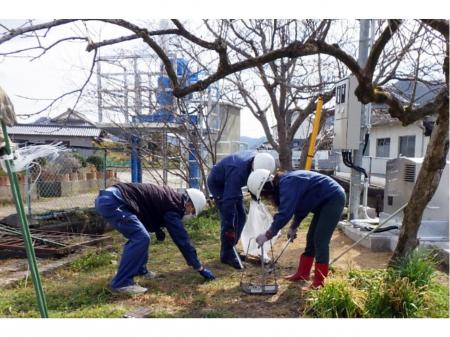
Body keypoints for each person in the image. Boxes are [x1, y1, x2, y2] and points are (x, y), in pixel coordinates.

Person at [95, 182, 215, 295]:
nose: (190, 214)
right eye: (192, 211)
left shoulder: (172, 198)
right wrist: (199, 267)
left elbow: (149, 208)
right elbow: (183, 240)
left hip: (112, 198)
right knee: (140, 238)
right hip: (114, 202)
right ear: (189, 203)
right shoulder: (174, 207)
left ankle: (140, 271)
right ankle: (121, 283)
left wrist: (157, 228)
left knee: (142, 236)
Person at [249, 169, 345, 289]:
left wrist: (268, 234)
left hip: (333, 198)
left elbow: (285, 213)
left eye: (265, 195)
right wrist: (294, 226)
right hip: (322, 202)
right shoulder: (287, 183)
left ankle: (320, 281)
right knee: (311, 238)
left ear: (267, 187)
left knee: (320, 240)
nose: (267, 198)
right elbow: (301, 206)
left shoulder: (288, 184)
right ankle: (303, 273)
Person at [207, 151, 276, 269]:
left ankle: (231, 248)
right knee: (230, 219)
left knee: (242, 216)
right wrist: (229, 225)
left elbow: (255, 181)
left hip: (231, 182)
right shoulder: (238, 172)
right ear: (254, 166)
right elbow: (228, 202)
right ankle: (226, 255)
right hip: (218, 184)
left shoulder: (259, 160)